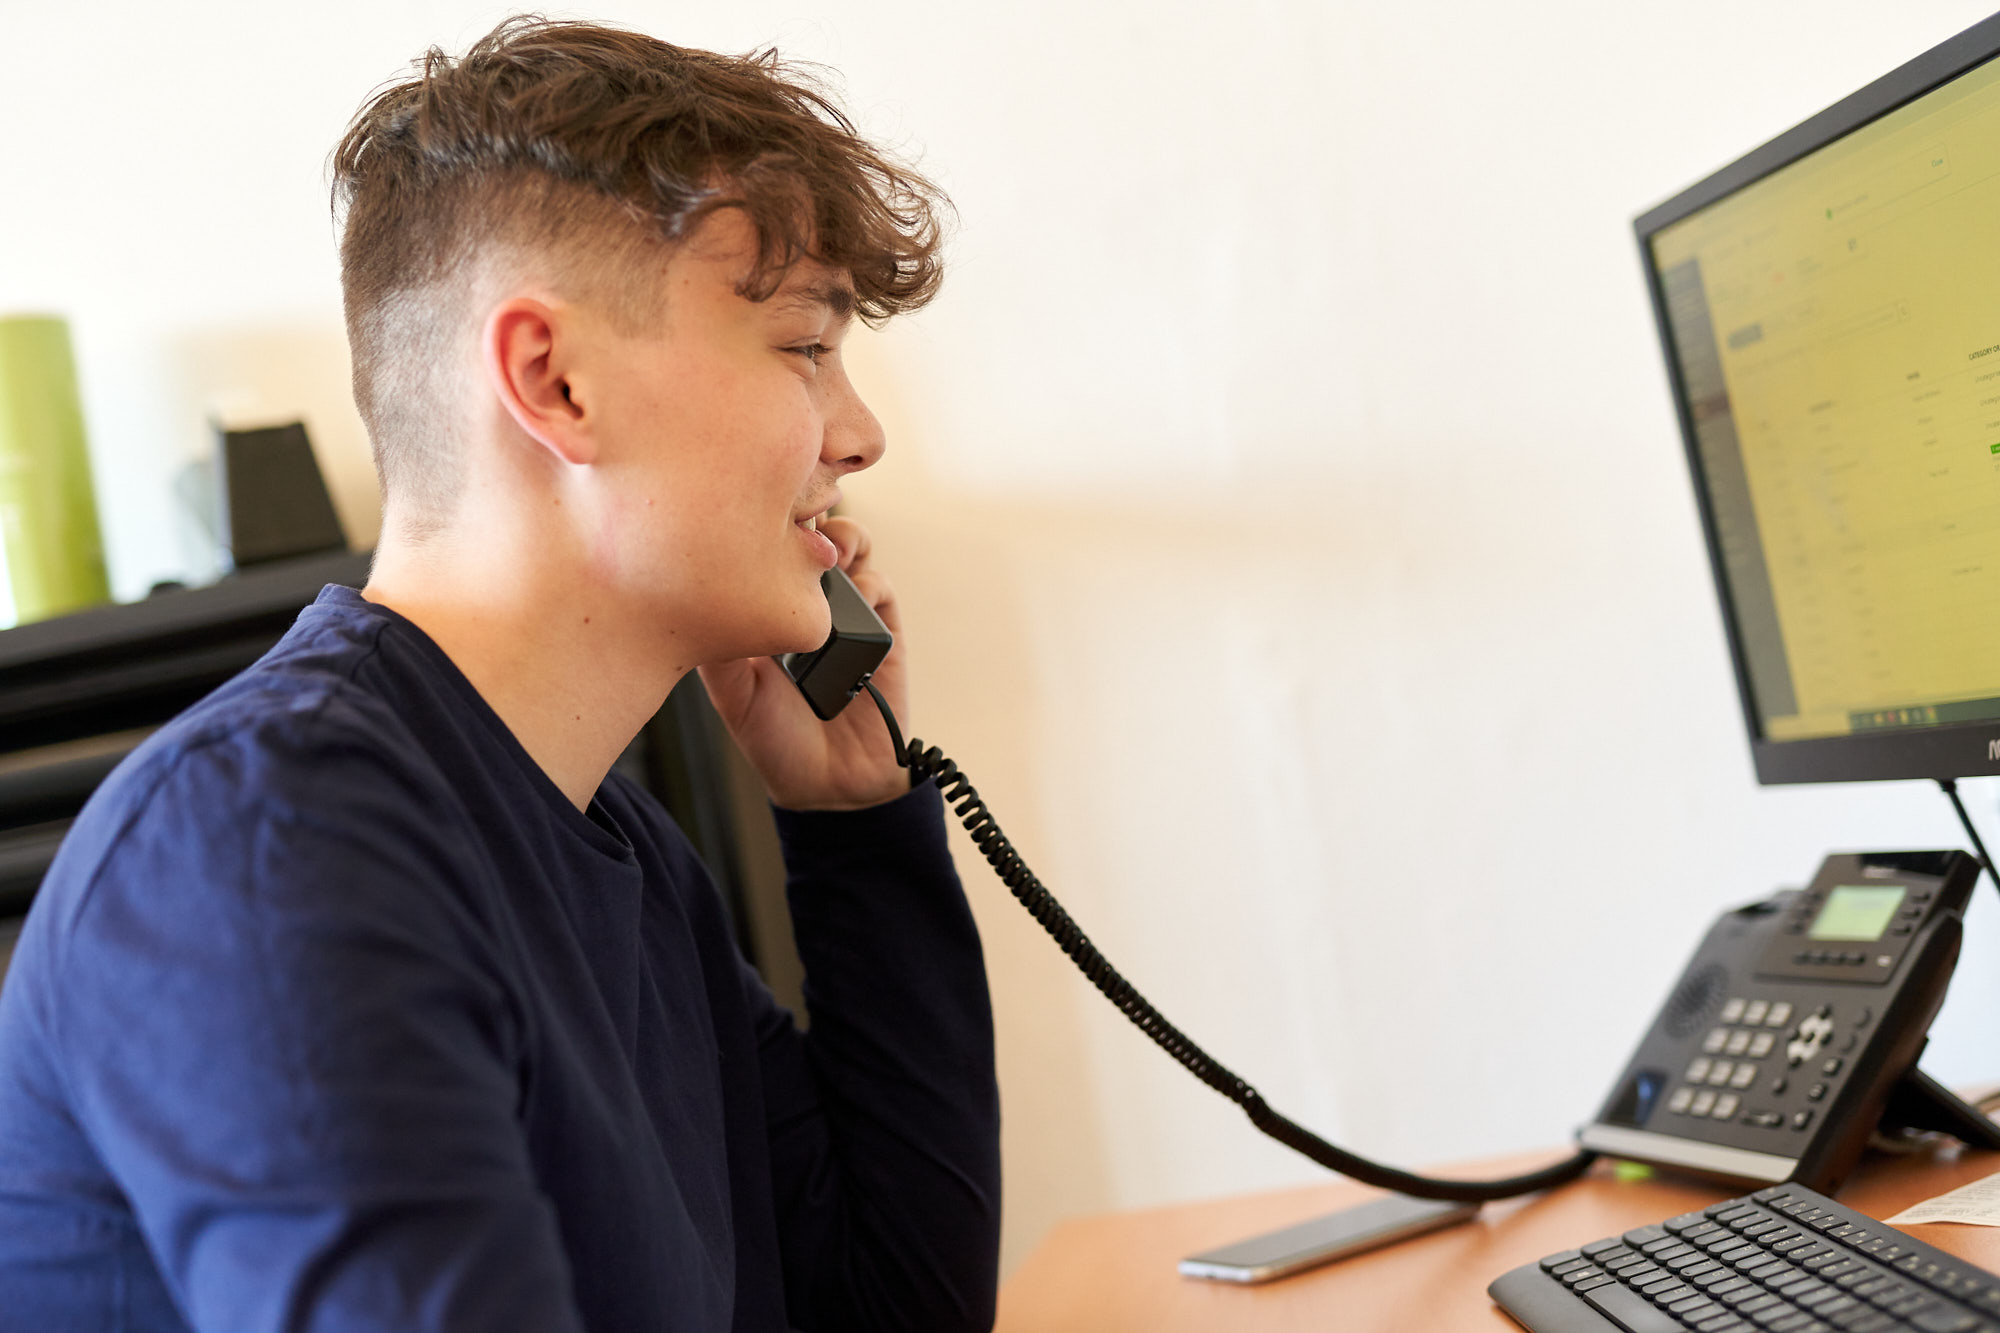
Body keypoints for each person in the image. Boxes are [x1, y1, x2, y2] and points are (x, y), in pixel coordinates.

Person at [0, 17, 1000, 1333]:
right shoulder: (267, 843)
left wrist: (857, 823)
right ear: (554, 378)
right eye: (807, 346)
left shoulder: (619, 853)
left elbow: (890, 1309)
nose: (857, 435)